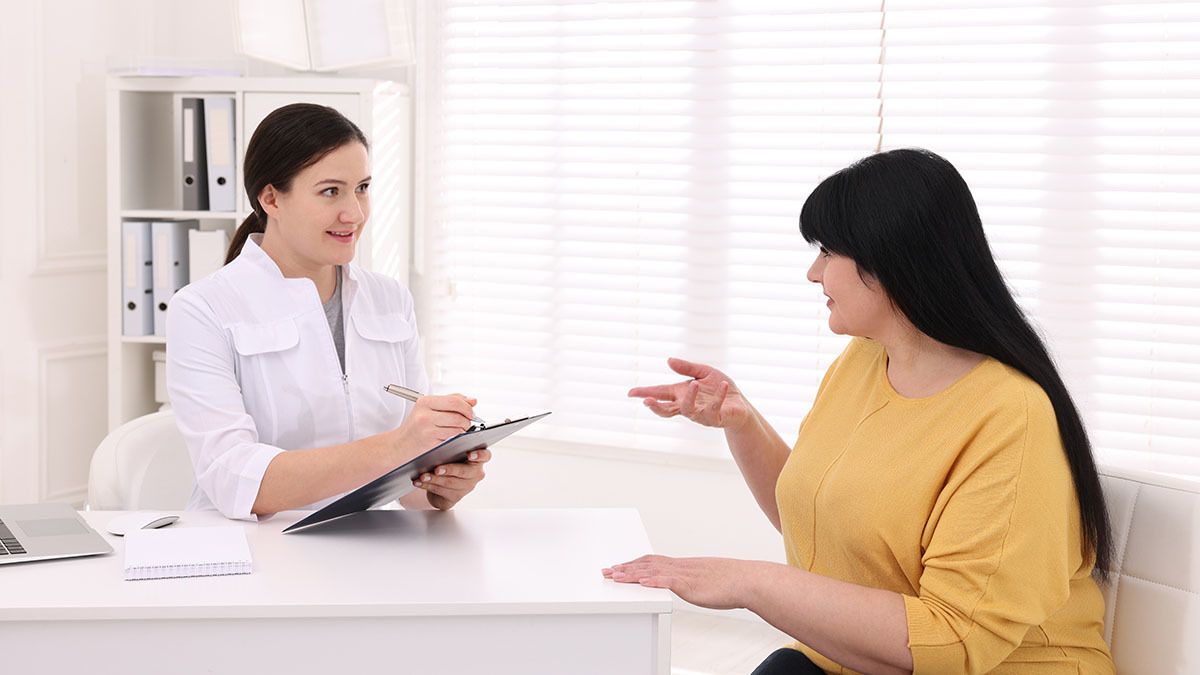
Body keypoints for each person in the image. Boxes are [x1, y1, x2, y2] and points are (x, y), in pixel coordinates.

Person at [605, 149, 1116, 675]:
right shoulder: (865, 361)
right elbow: (821, 525)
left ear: (891, 257)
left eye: (827, 251)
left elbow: (954, 643)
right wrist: (742, 423)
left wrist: (746, 581)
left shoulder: (1011, 415)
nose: (813, 272)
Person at [167, 103, 489, 520]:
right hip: (252, 556)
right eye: (330, 191)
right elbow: (235, 480)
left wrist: (440, 483)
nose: (354, 213)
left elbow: (409, 485)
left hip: (362, 547)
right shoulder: (202, 310)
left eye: (363, 187)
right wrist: (400, 445)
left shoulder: (390, 300)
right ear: (271, 198)